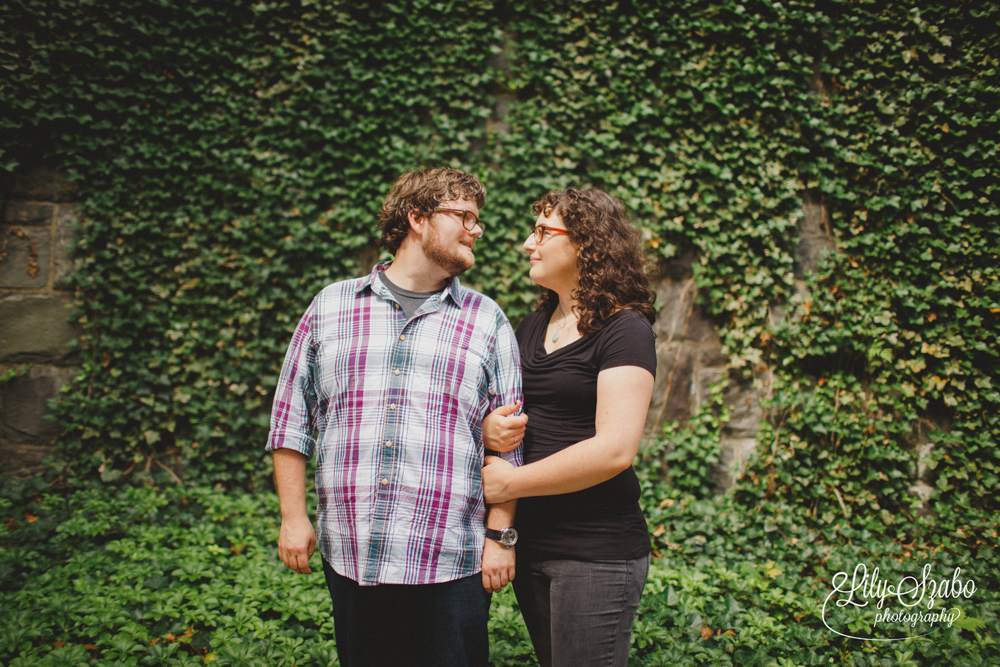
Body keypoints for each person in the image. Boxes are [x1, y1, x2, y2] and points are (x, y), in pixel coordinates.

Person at [265, 167, 524, 667]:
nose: (477, 230)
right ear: (418, 218)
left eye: (479, 220)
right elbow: (291, 420)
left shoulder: (486, 319)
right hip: (354, 554)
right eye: (464, 216)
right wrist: (293, 518)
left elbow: (509, 445)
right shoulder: (331, 307)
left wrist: (500, 538)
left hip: (453, 560)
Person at [481, 187, 657, 667]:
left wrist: (513, 482)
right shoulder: (531, 326)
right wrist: (487, 431)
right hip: (533, 543)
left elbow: (615, 450)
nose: (527, 243)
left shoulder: (625, 330)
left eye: (542, 230)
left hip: (596, 550)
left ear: (584, 242)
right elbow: (507, 418)